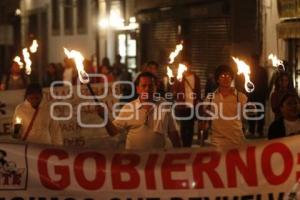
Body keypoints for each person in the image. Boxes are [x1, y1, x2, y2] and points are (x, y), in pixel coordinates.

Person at [97, 72, 181, 150]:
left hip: (156, 162)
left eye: (151, 86)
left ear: (156, 88)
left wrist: (180, 156)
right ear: (138, 89)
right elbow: (113, 132)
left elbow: (174, 134)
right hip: (134, 161)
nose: (147, 89)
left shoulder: (165, 106)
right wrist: (105, 118)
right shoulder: (128, 108)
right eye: (143, 86)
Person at [202, 65, 248, 148]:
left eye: (228, 76)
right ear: (217, 79)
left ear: (231, 78)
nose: (226, 78)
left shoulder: (241, 97)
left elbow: (246, 117)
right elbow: (206, 117)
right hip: (217, 142)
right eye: (222, 76)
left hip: (237, 141)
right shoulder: (210, 98)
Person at [172, 63, 202, 147]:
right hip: (182, 105)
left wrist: (198, 102)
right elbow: (174, 90)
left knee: (191, 125)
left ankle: (188, 144)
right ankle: (184, 143)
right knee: (184, 125)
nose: (185, 67)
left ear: (189, 66)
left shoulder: (195, 77)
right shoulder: (180, 77)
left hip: (192, 105)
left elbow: (198, 91)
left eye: (187, 65)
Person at [247, 54, 268, 137]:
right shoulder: (248, 70)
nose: (253, 62)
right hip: (251, 96)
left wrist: (265, 94)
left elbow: (265, 83)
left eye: (255, 60)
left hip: (259, 96)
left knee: (260, 114)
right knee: (251, 113)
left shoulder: (262, 71)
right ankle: (252, 130)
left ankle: (259, 131)